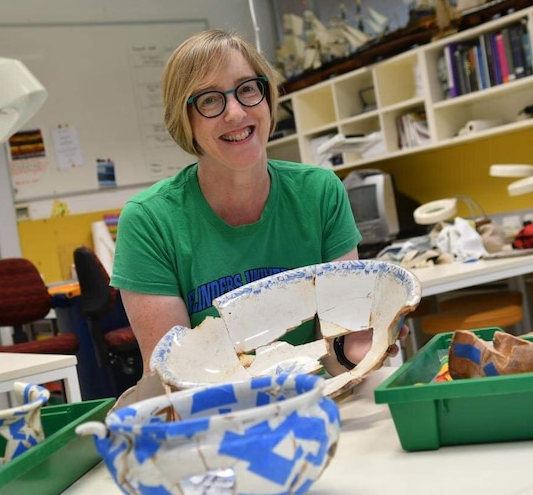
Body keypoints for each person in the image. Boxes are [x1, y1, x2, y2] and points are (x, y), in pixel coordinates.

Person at [110, 29, 401, 377]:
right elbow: (174, 377)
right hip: (215, 417)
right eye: (209, 100)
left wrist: (360, 350)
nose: (235, 112)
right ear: (183, 119)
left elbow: (338, 351)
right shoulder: (150, 221)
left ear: (266, 97)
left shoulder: (320, 193)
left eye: (248, 89)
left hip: (315, 401)